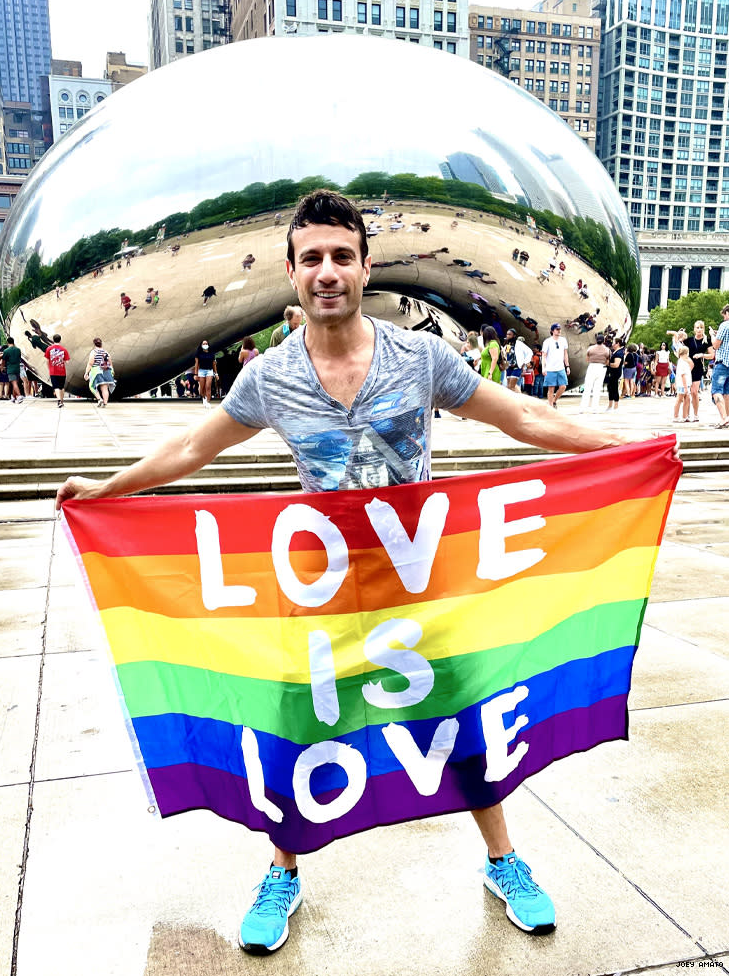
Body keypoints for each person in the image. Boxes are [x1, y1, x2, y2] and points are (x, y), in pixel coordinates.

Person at [56, 189, 654, 956]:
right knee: (297, 728)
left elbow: (523, 417)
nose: (328, 271)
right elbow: (188, 452)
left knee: (464, 720)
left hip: (418, 581)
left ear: (368, 266)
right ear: (292, 273)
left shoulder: (421, 358)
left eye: (343, 256)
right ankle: (283, 870)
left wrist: (618, 454)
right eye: (313, 259)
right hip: (321, 587)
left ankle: (504, 860)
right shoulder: (269, 377)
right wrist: (107, 491)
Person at [684, 320, 713, 423]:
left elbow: (712, 355)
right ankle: (686, 415)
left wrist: (702, 355)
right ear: (694, 329)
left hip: (698, 367)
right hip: (688, 367)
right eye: (697, 327)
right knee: (686, 392)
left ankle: (696, 414)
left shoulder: (706, 341)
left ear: (703, 329)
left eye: (701, 327)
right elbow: (680, 349)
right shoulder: (689, 340)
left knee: (694, 392)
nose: (699, 329)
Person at [708, 303, 729, 427]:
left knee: (716, 391)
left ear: (727, 313)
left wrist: (712, 336)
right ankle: (727, 417)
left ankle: (723, 417)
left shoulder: (725, 325)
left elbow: (716, 345)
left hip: (722, 363)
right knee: (727, 392)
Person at [579, 333, 610, 414]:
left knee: (587, 388)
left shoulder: (591, 348)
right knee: (597, 389)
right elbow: (607, 361)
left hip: (592, 366)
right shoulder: (607, 350)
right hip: (601, 368)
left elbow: (587, 359)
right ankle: (595, 409)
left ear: (596, 340)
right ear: (604, 340)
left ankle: (583, 408)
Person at [541, 323, 569, 409]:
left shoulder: (563, 340)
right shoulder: (547, 341)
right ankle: (550, 406)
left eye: (560, 329)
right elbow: (544, 355)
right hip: (550, 368)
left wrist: (567, 366)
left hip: (560, 367)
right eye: (557, 329)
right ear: (552, 331)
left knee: (563, 386)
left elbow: (565, 354)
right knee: (551, 388)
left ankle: (554, 400)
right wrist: (543, 367)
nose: (559, 331)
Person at [84, 337, 115, 407]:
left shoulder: (94, 352)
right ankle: (105, 403)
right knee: (105, 388)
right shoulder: (106, 352)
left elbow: (90, 363)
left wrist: (86, 373)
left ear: (94, 344)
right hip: (107, 371)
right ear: (101, 343)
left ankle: (99, 399)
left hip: (97, 371)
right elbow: (110, 362)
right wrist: (112, 370)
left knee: (92, 386)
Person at [44, 334, 70, 408]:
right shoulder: (64, 349)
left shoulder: (49, 349)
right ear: (60, 340)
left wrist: (49, 368)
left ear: (53, 340)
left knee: (56, 386)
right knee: (61, 387)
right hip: (62, 371)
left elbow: (47, 360)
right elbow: (67, 361)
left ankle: (58, 400)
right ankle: (61, 401)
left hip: (53, 371)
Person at [194, 340, 218, 409]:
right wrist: (196, 374)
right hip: (201, 371)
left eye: (206, 343)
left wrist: (216, 373)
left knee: (208, 386)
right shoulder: (198, 354)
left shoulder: (211, 353)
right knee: (202, 388)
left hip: (209, 371)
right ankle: (203, 397)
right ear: (201, 345)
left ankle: (208, 401)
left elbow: (214, 364)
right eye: (204, 344)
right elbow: (196, 364)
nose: (205, 345)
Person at [673, 345, 692, 423]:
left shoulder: (684, 361)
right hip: (682, 384)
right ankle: (676, 416)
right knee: (680, 399)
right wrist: (685, 387)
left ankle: (685, 416)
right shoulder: (681, 362)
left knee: (687, 399)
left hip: (686, 383)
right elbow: (683, 375)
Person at [605, 338, 625, 411]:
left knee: (614, 388)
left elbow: (616, 364)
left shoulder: (619, 353)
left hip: (615, 373)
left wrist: (608, 364)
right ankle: (610, 405)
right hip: (611, 372)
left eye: (614, 343)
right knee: (610, 388)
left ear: (618, 344)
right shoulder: (615, 352)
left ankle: (615, 406)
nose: (612, 344)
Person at [1, 336, 24, 402]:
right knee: (15, 382)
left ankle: (19, 396)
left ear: (7, 342)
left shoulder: (6, 351)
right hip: (17, 368)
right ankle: (13, 397)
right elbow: (19, 358)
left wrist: (2, 367)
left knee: (14, 383)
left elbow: (3, 360)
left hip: (10, 368)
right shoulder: (18, 350)